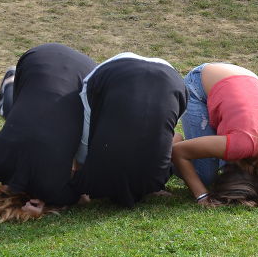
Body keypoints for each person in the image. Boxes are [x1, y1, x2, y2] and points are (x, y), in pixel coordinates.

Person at [0, 43, 96, 221]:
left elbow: (84, 199)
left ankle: (12, 85)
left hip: (89, 71)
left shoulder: (55, 190)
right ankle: (11, 83)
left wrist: (49, 203)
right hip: (38, 58)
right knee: (26, 110)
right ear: (1, 189)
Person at [72, 52, 187, 207]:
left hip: (160, 76)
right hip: (167, 77)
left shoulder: (154, 181)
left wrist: (81, 177)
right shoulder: (94, 181)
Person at [172, 62, 258, 206]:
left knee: (216, 162)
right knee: (204, 176)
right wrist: (201, 196)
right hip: (202, 82)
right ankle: (173, 138)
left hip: (247, 79)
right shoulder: (242, 144)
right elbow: (178, 152)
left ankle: (197, 145)